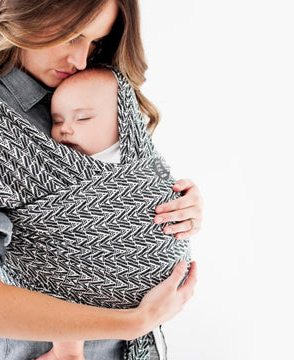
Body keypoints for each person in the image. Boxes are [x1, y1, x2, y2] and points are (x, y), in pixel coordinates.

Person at [0, 1, 201, 359]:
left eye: (95, 43)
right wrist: (134, 321)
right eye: (72, 37)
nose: (81, 60)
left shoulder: (102, 86)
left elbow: (126, 183)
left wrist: (175, 202)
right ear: (28, 12)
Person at [38, 66, 188, 360]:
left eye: (82, 118)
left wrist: (184, 196)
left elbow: (165, 186)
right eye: (57, 121)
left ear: (123, 122)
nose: (65, 128)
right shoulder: (63, 165)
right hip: (82, 282)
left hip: (155, 304)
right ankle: (67, 350)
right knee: (63, 276)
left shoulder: (144, 159)